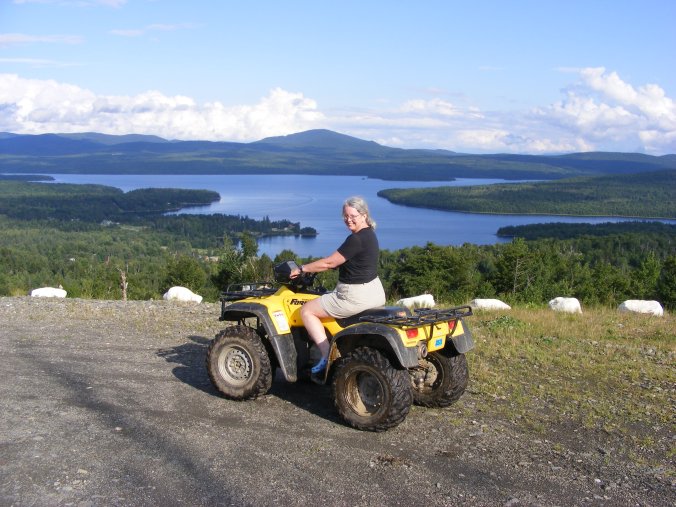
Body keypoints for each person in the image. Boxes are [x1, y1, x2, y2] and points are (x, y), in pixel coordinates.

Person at [291, 196, 386, 377]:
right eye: (345, 215)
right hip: (375, 293)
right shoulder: (370, 234)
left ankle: (327, 354)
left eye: (353, 216)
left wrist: (303, 269)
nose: (348, 219)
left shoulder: (356, 239)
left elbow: (329, 263)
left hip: (354, 296)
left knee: (307, 311)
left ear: (364, 215)